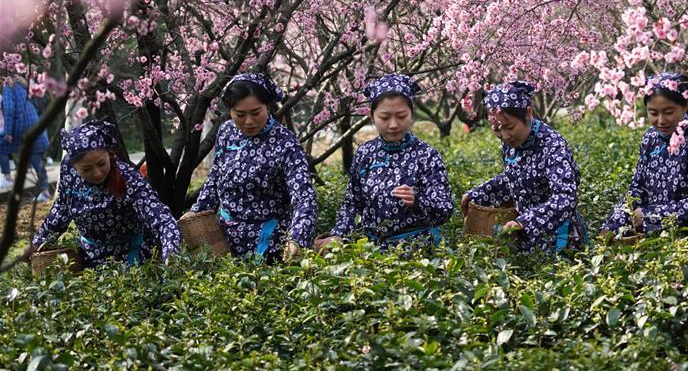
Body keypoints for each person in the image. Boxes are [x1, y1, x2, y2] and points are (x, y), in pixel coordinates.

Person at [315, 74, 453, 251]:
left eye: (401, 116)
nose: (394, 124)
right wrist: (338, 235)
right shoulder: (365, 154)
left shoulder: (427, 155)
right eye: (385, 117)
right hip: (371, 251)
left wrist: (418, 201)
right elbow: (352, 203)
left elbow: (445, 208)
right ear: (372, 117)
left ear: (411, 114)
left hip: (418, 250)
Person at [191, 72, 317, 260]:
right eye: (240, 114)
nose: (248, 121)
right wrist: (196, 211)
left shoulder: (285, 143)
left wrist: (297, 238)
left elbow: (303, 197)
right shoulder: (227, 132)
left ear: (268, 107)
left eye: (256, 113)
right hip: (223, 239)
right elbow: (216, 177)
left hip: (268, 240)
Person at [27, 121, 181, 267]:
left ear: (109, 154)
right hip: (89, 258)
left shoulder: (127, 178)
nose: (97, 173)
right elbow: (61, 211)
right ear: (74, 166)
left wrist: (171, 255)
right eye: (87, 169)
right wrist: (37, 242)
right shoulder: (69, 174)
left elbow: (162, 220)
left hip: (132, 256)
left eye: (101, 164)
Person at [461, 81, 587, 253]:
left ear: (528, 113)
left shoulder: (553, 145)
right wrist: (479, 194)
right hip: (523, 237)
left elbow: (566, 197)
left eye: (510, 127)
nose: (505, 136)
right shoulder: (511, 144)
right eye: (497, 129)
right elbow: (513, 178)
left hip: (559, 238)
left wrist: (525, 222)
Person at [601, 73, 688, 238]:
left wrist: (651, 215)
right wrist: (616, 223)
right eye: (653, 112)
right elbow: (638, 187)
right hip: (651, 232)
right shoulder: (650, 138)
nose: (661, 120)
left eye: (668, 112)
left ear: (685, 106)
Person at [0, 77, 51, 201]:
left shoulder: (8, 88)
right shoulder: (22, 85)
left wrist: (7, 131)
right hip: (33, 123)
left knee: (2, 147)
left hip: (21, 127)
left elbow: (9, 110)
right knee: (36, 158)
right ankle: (45, 191)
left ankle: (7, 178)